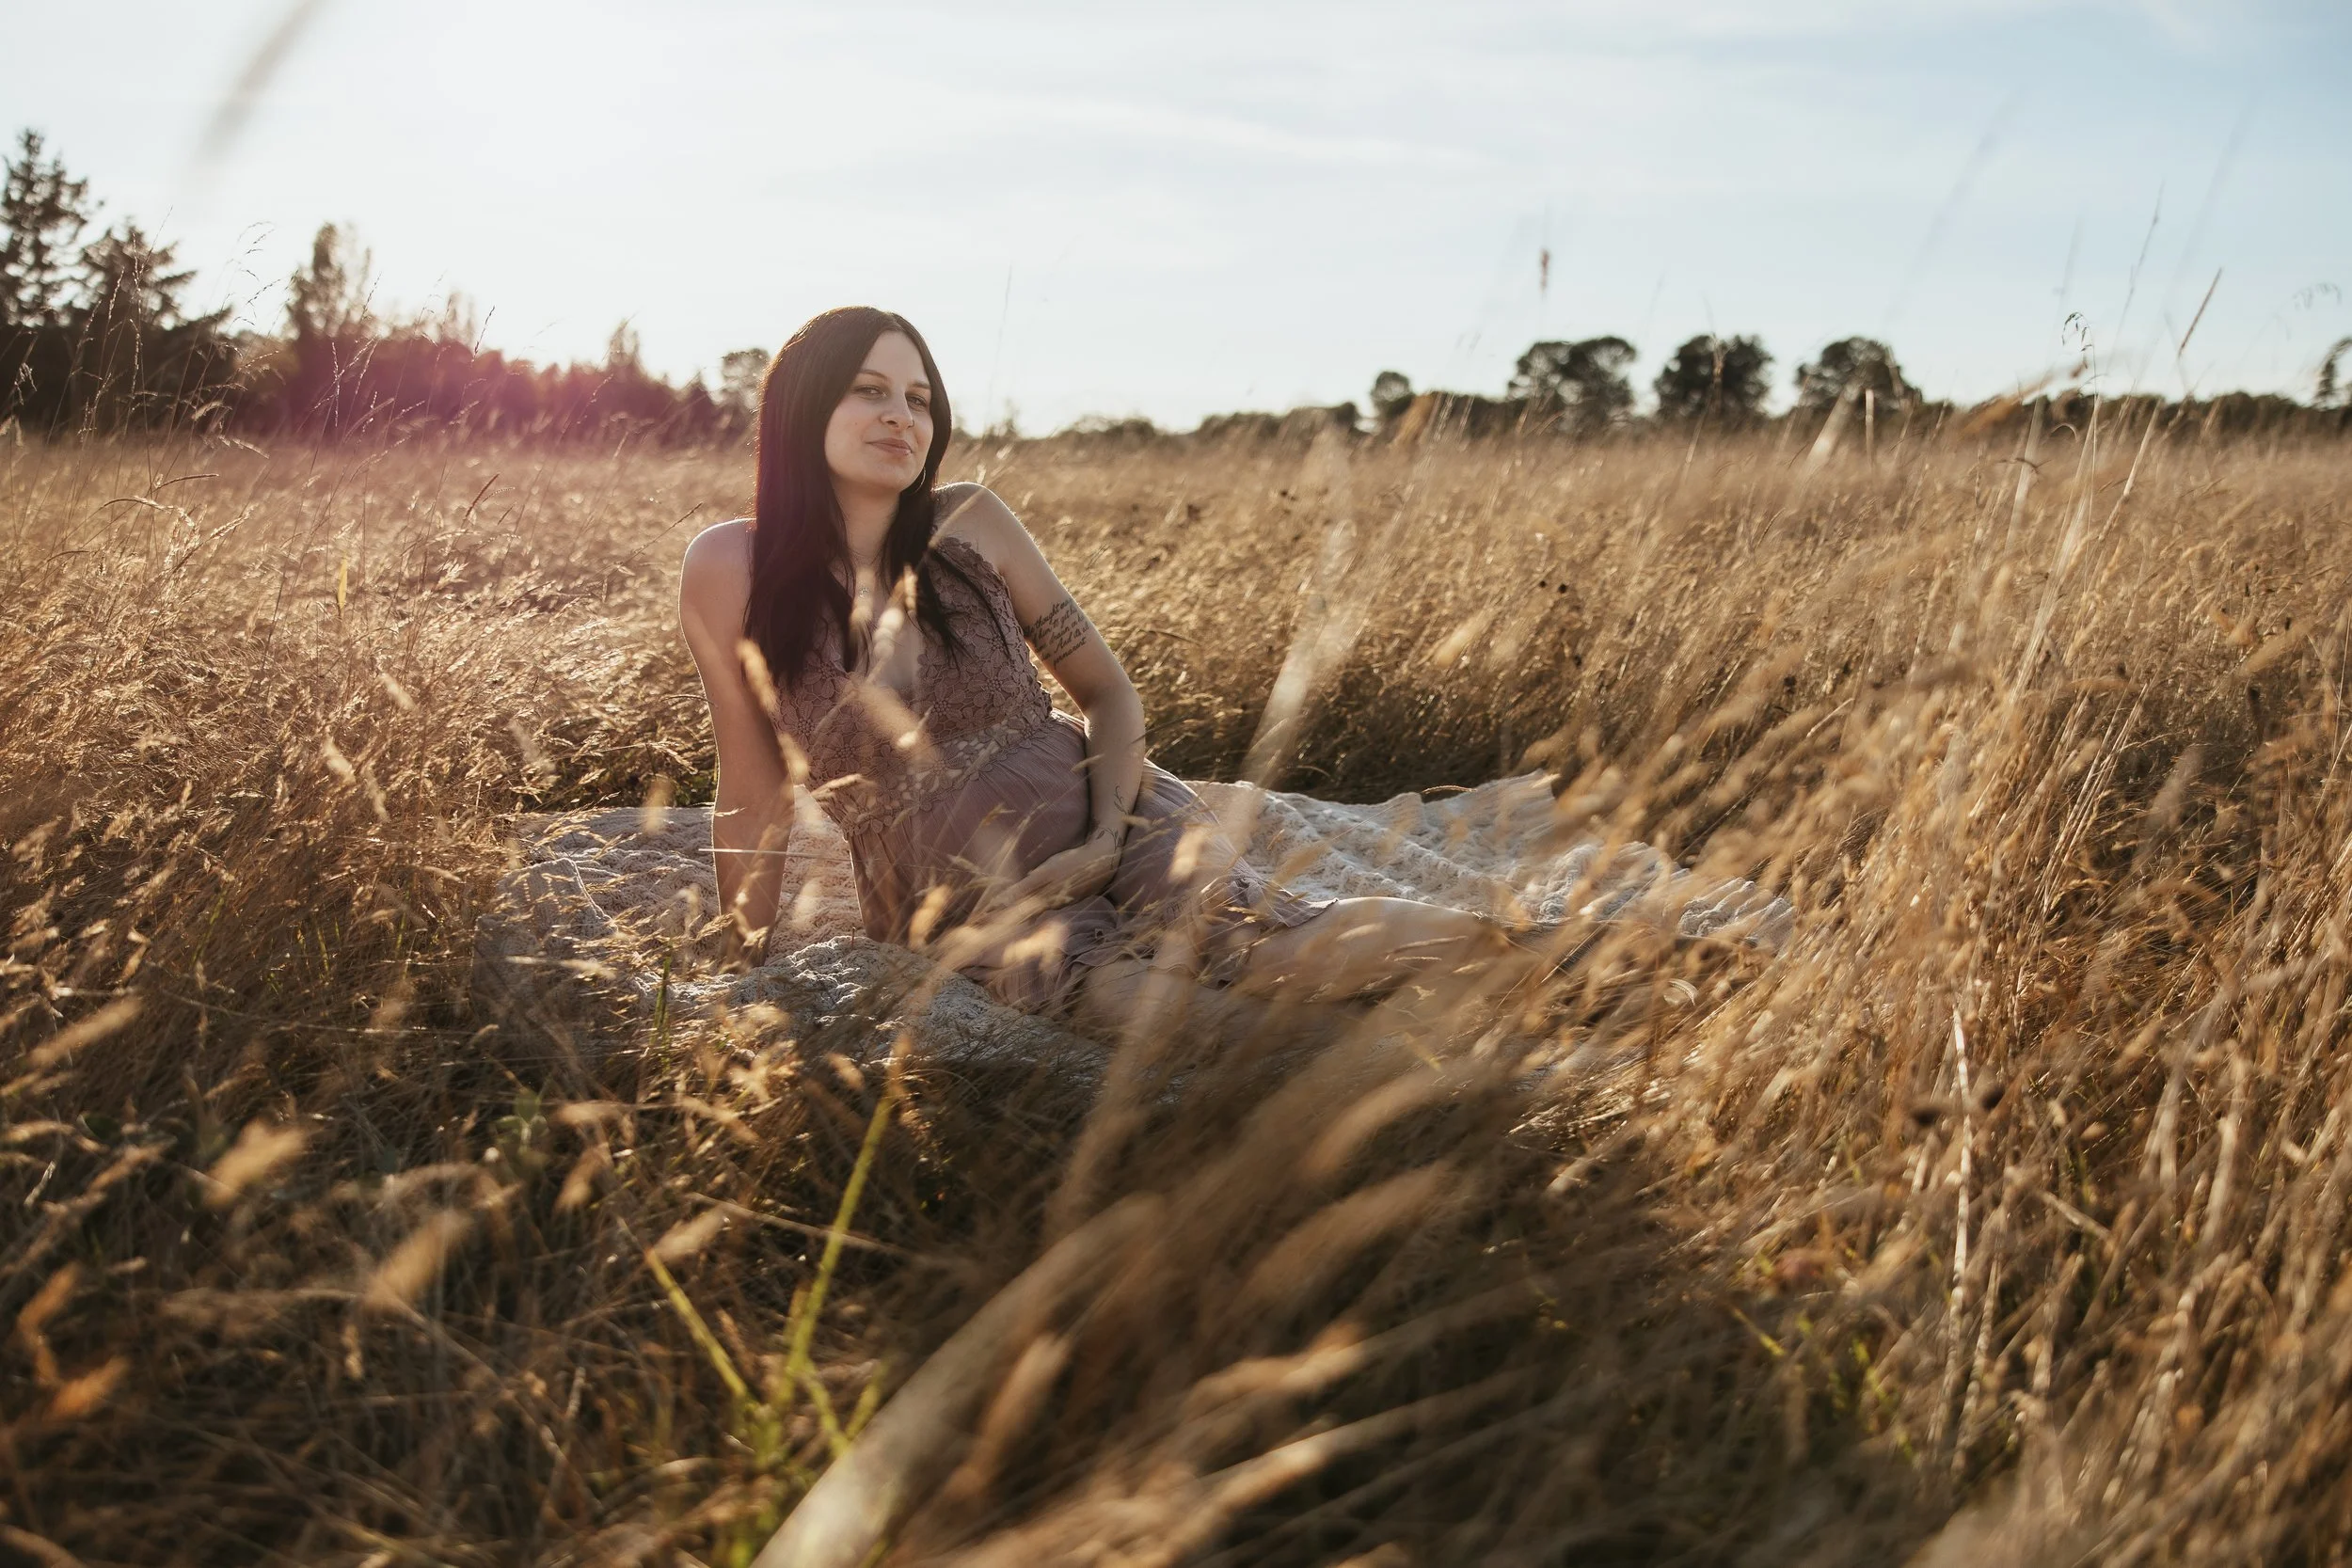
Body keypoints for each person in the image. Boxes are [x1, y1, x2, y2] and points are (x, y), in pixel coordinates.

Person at [677, 307, 1725, 1037]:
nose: (903, 415)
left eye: (919, 394)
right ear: (802, 403)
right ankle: (1434, 1075)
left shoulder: (972, 520)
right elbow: (752, 784)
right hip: (955, 889)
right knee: (1160, 1019)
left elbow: (1110, 695)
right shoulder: (730, 565)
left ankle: (1596, 958)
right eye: (869, 391)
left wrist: (1100, 836)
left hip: (1102, 809)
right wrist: (744, 957)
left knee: (1276, 948)